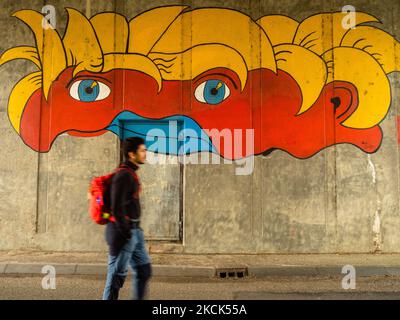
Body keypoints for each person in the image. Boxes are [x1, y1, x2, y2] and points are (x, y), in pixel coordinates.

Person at [102, 136, 152, 300]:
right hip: (123, 233)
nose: (145, 153)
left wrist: (134, 231)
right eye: (142, 150)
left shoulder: (130, 173)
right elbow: (116, 208)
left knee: (144, 271)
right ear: (132, 154)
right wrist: (127, 233)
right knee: (116, 277)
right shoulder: (124, 175)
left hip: (135, 232)